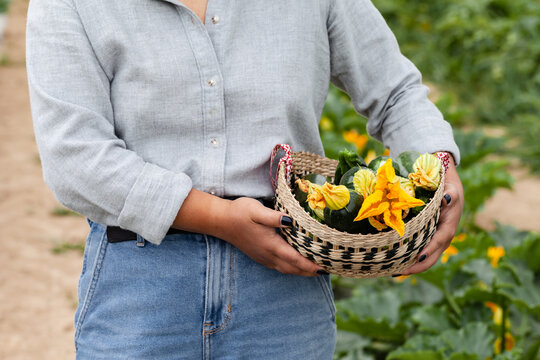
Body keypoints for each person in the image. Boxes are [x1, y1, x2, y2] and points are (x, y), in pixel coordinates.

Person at [25, 0, 464, 358]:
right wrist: (220, 218)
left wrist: (439, 165)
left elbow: (396, 92)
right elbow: (75, 158)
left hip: (286, 290)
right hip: (142, 287)